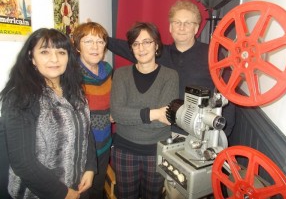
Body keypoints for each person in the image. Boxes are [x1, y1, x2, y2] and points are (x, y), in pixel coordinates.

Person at [107, 0, 235, 137]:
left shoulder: (212, 54)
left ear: (196, 28)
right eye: (177, 22)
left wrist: (220, 132)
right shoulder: (158, 53)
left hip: (200, 133)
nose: (181, 27)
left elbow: (227, 93)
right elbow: (127, 47)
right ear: (170, 27)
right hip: (163, 131)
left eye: (188, 23)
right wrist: (100, 38)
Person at [0, 28, 97, 199]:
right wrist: (64, 193)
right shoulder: (20, 97)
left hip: (77, 185)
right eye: (45, 51)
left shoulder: (74, 91)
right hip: (38, 193)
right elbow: (23, 163)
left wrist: (90, 167)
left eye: (61, 52)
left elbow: (85, 131)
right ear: (32, 57)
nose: (54, 59)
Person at [110, 22, 179, 199]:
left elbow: (166, 118)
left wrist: (131, 116)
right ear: (131, 48)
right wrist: (154, 114)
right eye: (136, 43)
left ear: (156, 45)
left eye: (147, 42)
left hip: (156, 152)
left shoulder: (170, 76)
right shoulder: (120, 74)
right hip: (124, 150)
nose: (141, 48)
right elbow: (117, 113)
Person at [72, 22, 113, 199]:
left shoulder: (108, 69)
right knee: (82, 194)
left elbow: (113, 100)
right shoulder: (70, 74)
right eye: (88, 41)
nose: (95, 47)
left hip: (104, 145)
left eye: (100, 41)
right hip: (81, 151)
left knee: (97, 191)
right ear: (77, 46)